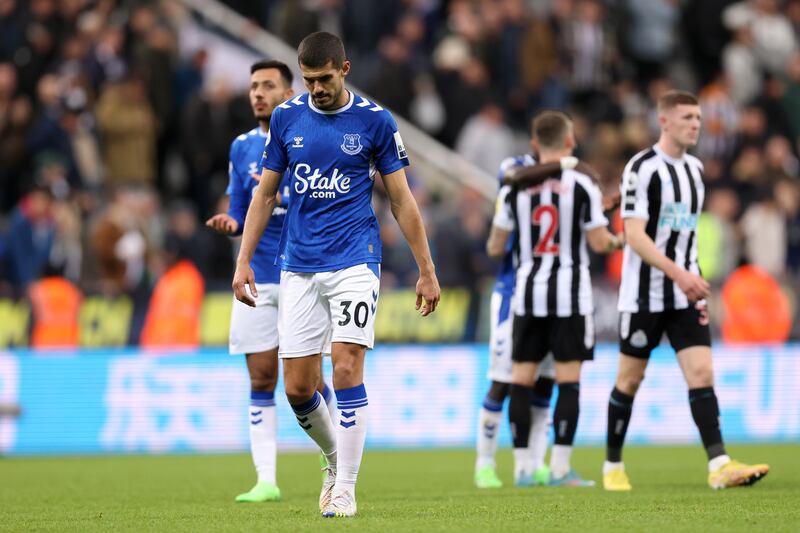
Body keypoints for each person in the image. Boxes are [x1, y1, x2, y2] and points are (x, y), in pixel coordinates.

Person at [232, 33, 440, 518]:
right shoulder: (286, 118)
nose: (317, 88)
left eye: (324, 79)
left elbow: (402, 200)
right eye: (308, 80)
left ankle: (345, 487)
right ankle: (332, 457)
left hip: (355, 260)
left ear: (344, 69)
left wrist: (426, 269)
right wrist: (243, 260)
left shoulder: (375, 121)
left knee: (346, 366)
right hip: (298, 266)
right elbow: (264, 197)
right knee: (298, 389)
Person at [603, 90, 769, 491]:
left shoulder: (695, 169)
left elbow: (684, 232)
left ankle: (719, 465)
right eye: (688, 117)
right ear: (664, 121)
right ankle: (612, 466)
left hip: (686, 292)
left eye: (698, 117)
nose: (696, 124)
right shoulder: (641, 168)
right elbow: (635, 235)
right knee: (629, 379)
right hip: (645, 292)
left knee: (701, 372)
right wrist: (679, 273)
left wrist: (686, 276)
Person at [206, 60, 336, 503]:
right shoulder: (242, 147)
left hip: (304, 269)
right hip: (258, 274)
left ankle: (333, 460)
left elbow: (326, 198)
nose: (258, 93)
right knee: (261, 377)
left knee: (310, 378)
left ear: (288, 92)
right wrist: (232, 221)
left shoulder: (313, 135)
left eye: (268, 86)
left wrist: (284, 194)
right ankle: (266, 479)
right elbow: (243, 209)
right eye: (253, 86)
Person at [487, 110, 623, 487]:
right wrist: (621, 240)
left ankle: (521, 469)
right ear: (568, 142)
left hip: (527, 293)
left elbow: (496, 245)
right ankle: (560, 468)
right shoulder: (582, 185)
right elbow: (600, 242)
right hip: (570, 296)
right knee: (568, 382)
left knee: (521, 380)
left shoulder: (514, 187)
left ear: (534, 144)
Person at [475, 153, 565, 489]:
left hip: (551, 296)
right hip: (512, 294)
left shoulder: (561, 186)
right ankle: (484, 464)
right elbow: (510, 176)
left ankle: (532, 465)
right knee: (503, 381)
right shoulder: (516, 175)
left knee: (544, 383)